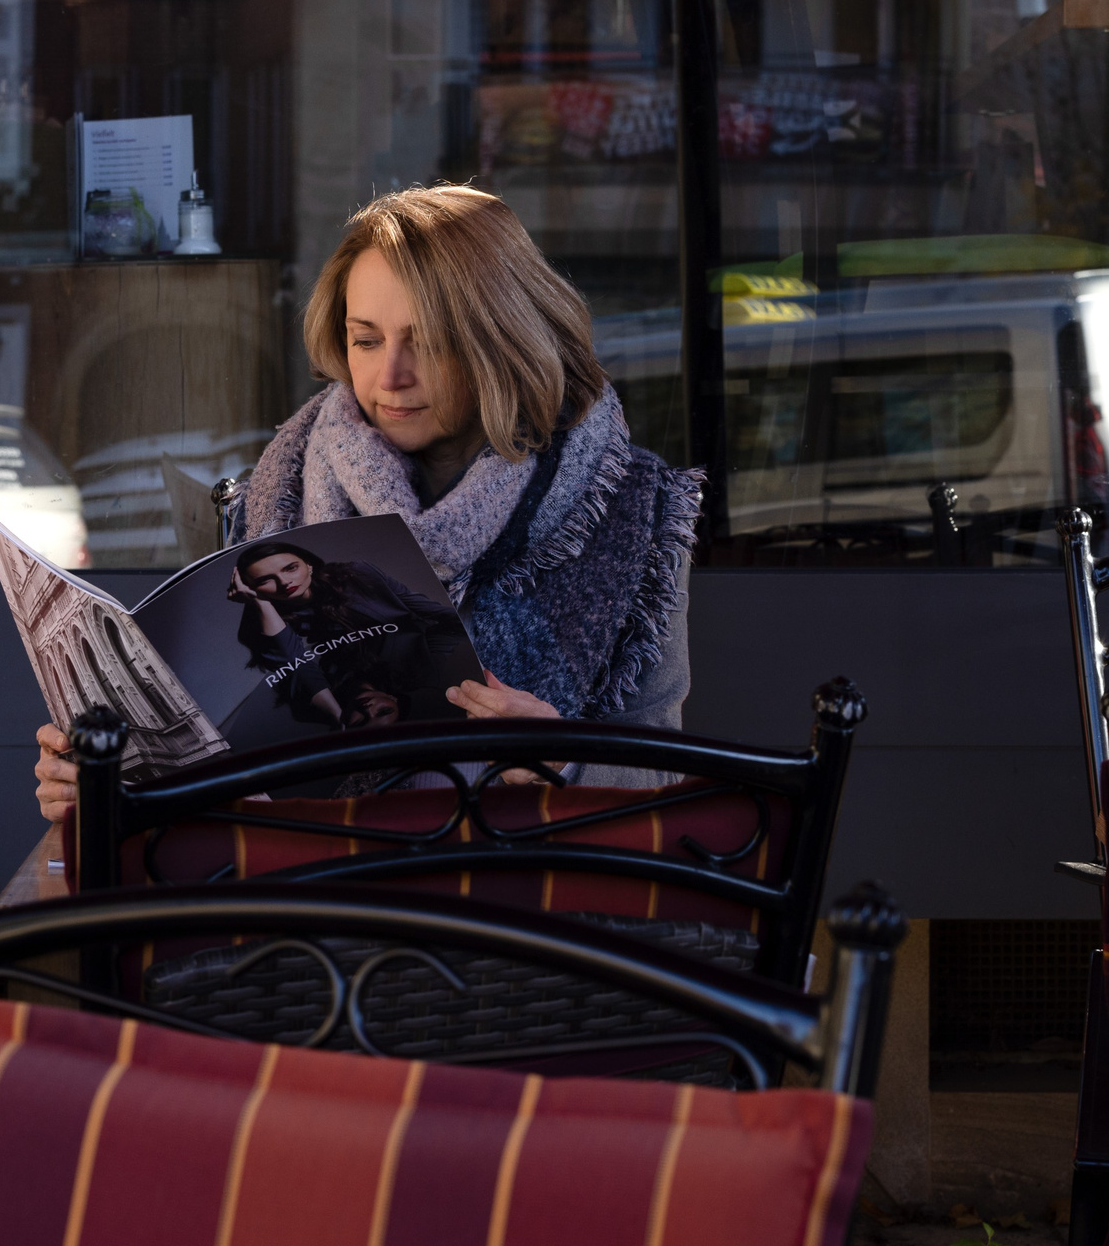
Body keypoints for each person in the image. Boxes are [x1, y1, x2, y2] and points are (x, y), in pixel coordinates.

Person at [35, 182, 699, 819]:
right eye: (366, 339)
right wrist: (104, 779)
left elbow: (662, 777)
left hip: (514, 904)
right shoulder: (275, 496)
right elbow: (219, 761)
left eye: (429, 341)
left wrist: (567, 756)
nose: (391, 377)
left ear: (503, 340)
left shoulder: (629, 510)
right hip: (320, 899)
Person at [226, 541, 472, 728]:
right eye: (383, 712)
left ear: (308, 565)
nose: (283, 582)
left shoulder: (311, 703)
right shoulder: (419, 669)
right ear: (395, 700)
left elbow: (297, 666)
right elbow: (435, 617)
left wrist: (261, 603)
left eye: (290, 568)